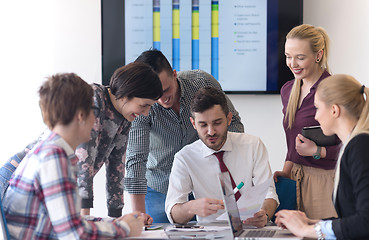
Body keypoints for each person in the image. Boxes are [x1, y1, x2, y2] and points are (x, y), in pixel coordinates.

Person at [0, 62, 163, 221]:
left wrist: (117, 217)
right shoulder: (94, 98)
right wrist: (85, 216)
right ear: (127, 94)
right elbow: (84, 159)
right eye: (144, 105)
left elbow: (117, 166)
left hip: (43, 184)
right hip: (16, 176)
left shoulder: (126, 118)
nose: (146, 113)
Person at [125, 49, 245, 223]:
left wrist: (229, 168)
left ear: (174, 75)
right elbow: (136, 159)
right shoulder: (143, 105)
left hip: (205, 184)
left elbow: (232, 124)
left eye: (166, 90)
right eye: (155, 95)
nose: (162, 99)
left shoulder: (202, 82)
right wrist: (138, 215)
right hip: (161, 187)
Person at [165, 87, 278, 227]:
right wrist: (191, 207)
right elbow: (173, 214)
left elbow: (269, 194)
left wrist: (265, 214)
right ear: (193, 124)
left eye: (217, 123)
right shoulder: (184, 158)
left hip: (253, 228)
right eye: (203, 125)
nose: (211, 131)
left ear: (229, 119)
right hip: (210, 231)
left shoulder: (252, 145)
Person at [275, 74, 369, 239]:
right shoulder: (353, 145)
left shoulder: (360, 146)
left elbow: (366, 222)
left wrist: (308, 230)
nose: (316, 117)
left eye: (317, 108)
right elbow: (351, 217)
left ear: (334, 110)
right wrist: (310, 222)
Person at [273, 24, 341, 219]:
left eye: (300, 58)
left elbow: (352, 145)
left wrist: (317, 151)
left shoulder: (333, 91)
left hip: (324, 180)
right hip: (294, 178)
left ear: (318, 55)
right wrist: (286, 170)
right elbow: (292, 139)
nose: (292, 63)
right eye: (288, 56)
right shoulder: (287, 90)